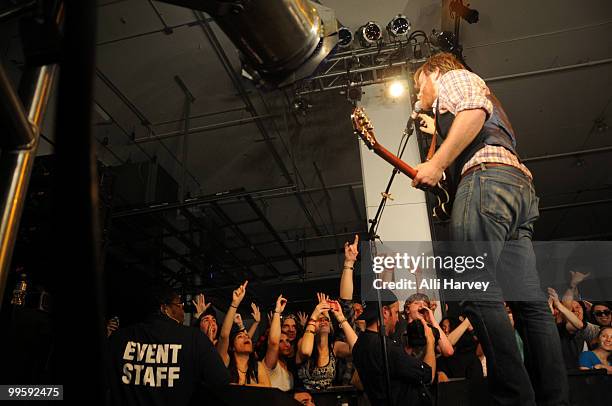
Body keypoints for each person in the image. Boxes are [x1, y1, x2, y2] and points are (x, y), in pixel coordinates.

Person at [411, 52, 568, 405]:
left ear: (433, 72)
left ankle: (514, 397)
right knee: (529, 303)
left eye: (418, 85)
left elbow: (474, 111)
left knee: (475, 288)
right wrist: (439, 134)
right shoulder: (450, 109)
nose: (416, 95)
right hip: (512, 189)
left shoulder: (452, 78)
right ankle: (552, 398)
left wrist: (436, 163)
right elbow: (476, 125)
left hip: (486, 181)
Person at [106, 283, 229, 406]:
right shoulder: (194, 338)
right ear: (165, 309)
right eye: (179, 305)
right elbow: (220, 380)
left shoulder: (118, 338)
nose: (183, 310)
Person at [352, 289, 434, 406]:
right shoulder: (387, 349)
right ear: (385, 312)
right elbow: (428, 375)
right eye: (396, 313)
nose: (397, 319)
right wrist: (430, 341)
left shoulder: (359, 346)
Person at [296, 293, 357, 391]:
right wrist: (315, 313)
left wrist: (341, 318)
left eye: (326, 320)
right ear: (311, 325)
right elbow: (306, 351)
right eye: (319, 320)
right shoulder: (302, 342)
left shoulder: (334, 348)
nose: (323, 321)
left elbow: (356, 347)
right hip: (307, 400)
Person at [217, 281, 271, 386]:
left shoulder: (257, 367)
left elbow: (267, 390)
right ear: (232, 347)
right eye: (240, 337)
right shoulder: (226, 362)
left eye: (247, 336)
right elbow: (224, 336)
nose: (246, 337)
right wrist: (234, 304)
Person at [264, 294, 295, 391]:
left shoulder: (288, 368)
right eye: (280, 341)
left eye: (287, 341)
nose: (286, 344)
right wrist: (277, 312)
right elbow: (273, 342)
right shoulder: (271, 363)